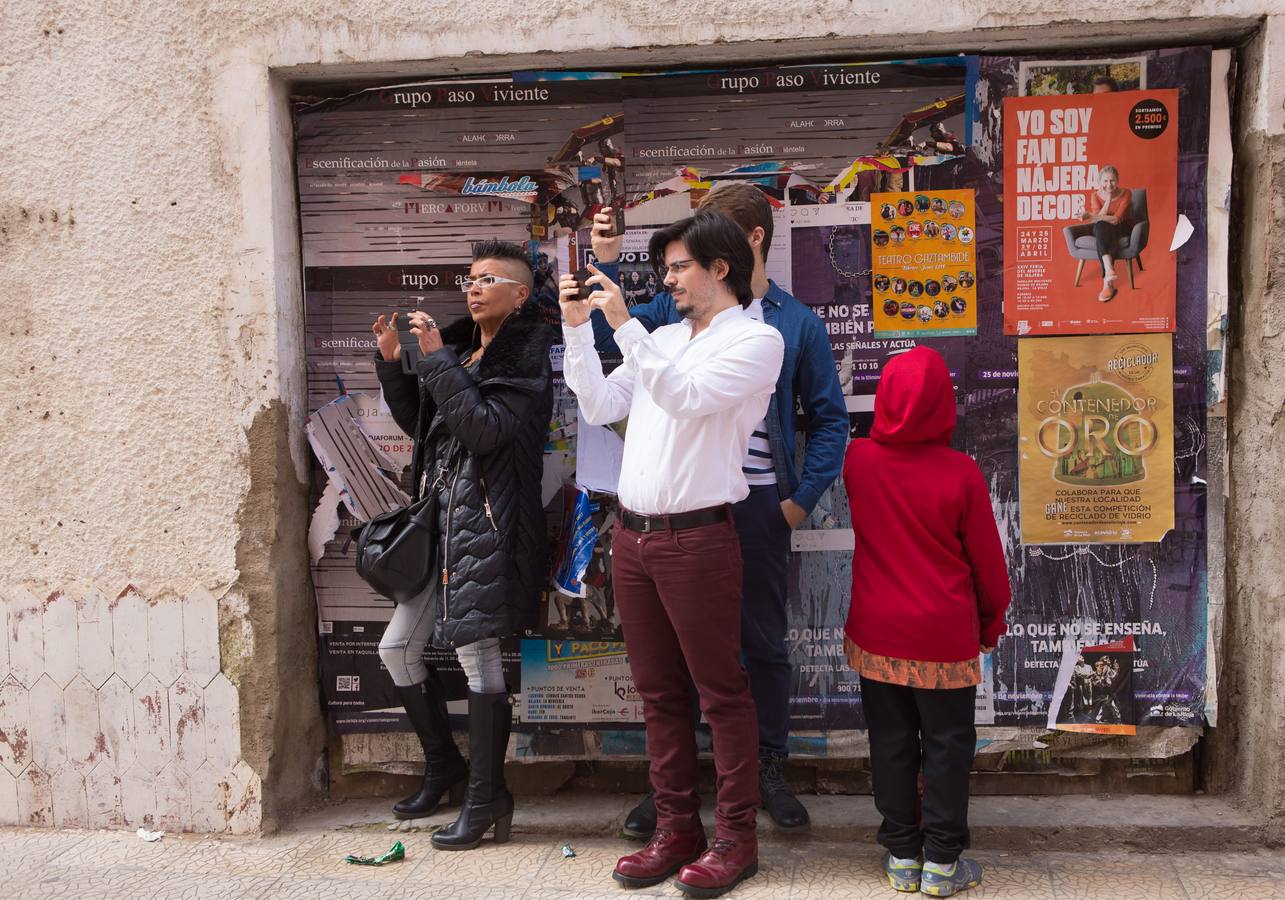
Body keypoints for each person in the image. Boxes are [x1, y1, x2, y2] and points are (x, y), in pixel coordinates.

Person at [590, 182, 848, 835]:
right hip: (676, 501)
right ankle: (672, 786)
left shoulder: (791, 322)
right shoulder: (672, 318)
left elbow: (828, 420)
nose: (678, 272)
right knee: (670, 654)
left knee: (758, 642)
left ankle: (765, 769)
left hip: (758, 502)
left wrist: (796, 502)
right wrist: (607, 260)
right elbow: (611, 338)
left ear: (743, 244)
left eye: (701, 245)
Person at [560, 210, 784, 897]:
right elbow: (598, 406)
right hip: (632, 535)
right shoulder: (661, 337)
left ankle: (735, 838)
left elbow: (685, 399)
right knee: (658, 694)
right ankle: (675, 828)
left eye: (678, 267)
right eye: (665, 269)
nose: (668, 280)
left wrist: (625, 324)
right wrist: (577, 330)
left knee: (720, 693)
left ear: (720, 268)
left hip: (698, 537)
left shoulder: (758, 340)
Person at [370, 239, 556, 851]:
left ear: (520, 294)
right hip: (437, 525)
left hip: (486, 527)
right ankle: (446, 769)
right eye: (469, 278)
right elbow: (426, 426)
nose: (473, 288)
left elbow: (485, 431)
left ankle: (487, 799)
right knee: (398, 648)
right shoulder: (462, 351)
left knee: (479, 660)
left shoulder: (526, 358)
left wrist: (436, 362)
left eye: (488, 279)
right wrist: (396, 363)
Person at [841, 347, 1011, 897]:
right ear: (945, 403)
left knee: (890, 742)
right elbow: (989, 566)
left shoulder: (858, 462)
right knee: (947, 745)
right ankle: (941, 862)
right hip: (942, 636)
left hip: (877, 634)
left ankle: (901, 857)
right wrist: (990, 626)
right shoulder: (961, 473)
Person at [1076, 165, 1132, 302]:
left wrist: (1091, 216)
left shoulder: (1126, 193)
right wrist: (1107, 199)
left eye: (1112, 180)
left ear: (1118, 180)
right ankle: (1109, 271)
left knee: (1103, 226)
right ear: (1100, 182)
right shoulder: (1095, 195)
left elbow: (1116, 219)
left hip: (1121, 227)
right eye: (1105, 181)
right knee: (1101, 227)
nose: (1109, 184)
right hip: (1102, 229)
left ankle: (1108, 283)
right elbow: (1099, 218)